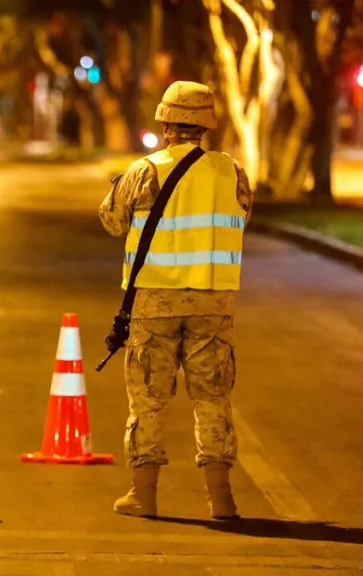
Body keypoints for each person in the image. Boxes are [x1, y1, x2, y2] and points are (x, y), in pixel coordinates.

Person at [98, 80, 253, 520]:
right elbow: (243, 217)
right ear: (208, 123)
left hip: (154, 304)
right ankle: (221, 499)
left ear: (165, 122)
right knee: (213, 401)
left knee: (148, 401)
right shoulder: (232, 172)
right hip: (213, 305)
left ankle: (143, 495)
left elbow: (111, 220)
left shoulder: (145, 171)